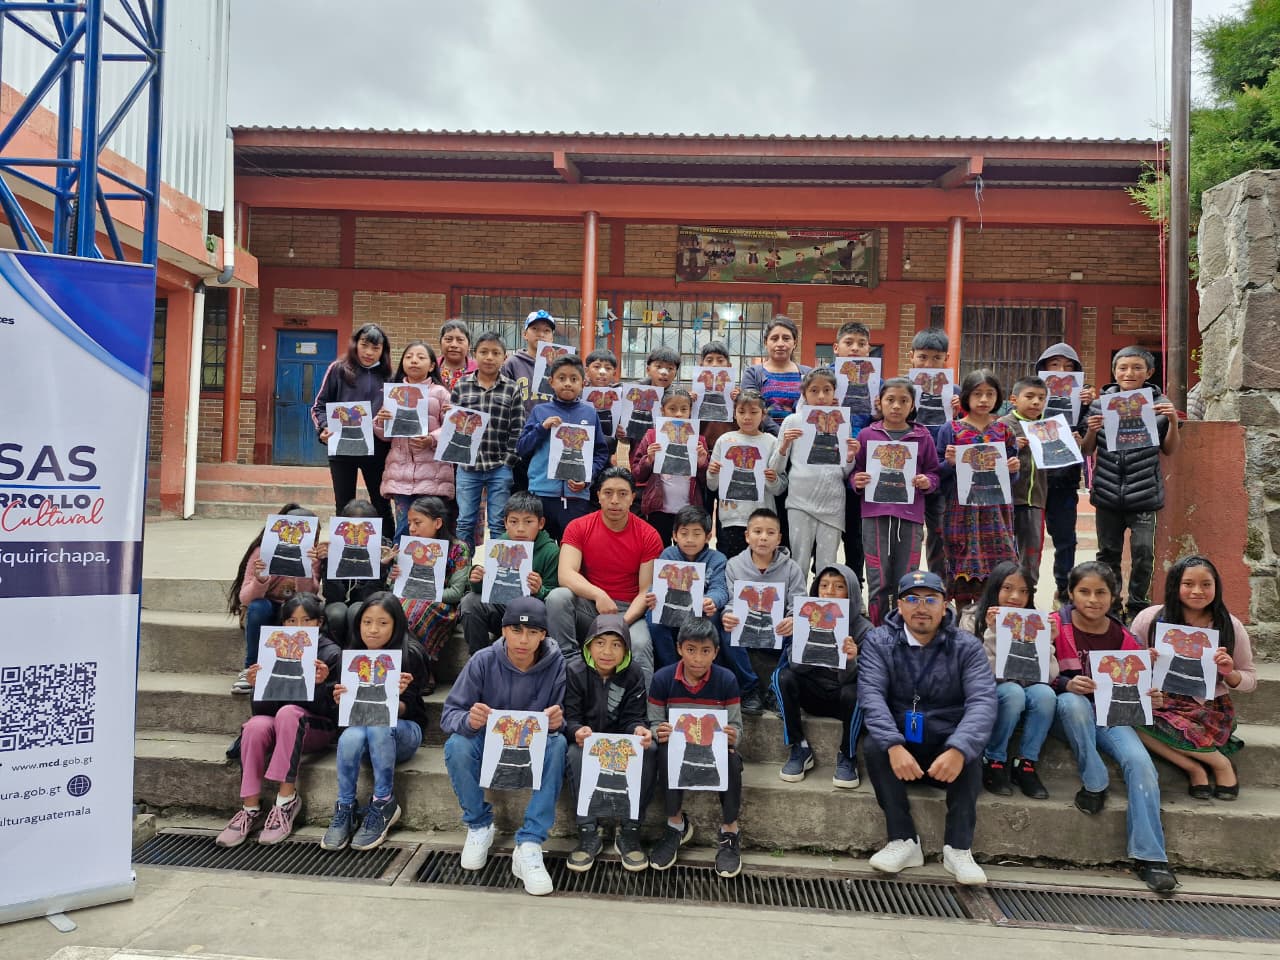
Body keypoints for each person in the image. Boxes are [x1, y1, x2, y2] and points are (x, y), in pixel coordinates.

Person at [857, 570, 996, 886]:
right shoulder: (879, 641)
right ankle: (903, 840)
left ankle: (958, 848)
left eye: (931, 600)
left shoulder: (966, 646)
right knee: (875, 745)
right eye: (912, 599)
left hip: (946, 745)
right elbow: (871, 696)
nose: (922, 608)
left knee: (971, 750)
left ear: (945, 605)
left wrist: (959, 749)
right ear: (899, 605)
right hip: (902, 745)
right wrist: (893, 745)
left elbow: (983, 701)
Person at [1050, 561, 1177, 892]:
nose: (1093, 600)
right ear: (1071, 593)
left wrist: (1151, 697)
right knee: (1073, 703)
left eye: (1101, 592)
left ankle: (1151, 856)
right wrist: (1064, 683)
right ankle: (1094, 779)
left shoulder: (1124, 637)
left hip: (1110, 717)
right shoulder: (1054, 625)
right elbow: (1029, 670)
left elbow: (1138, 690)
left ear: (1113, 596)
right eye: (1084, 591)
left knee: (1140, 763)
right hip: (1066, 715)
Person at [441, 596, 567, 897]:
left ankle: (530, 842)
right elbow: (449, 715)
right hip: (489, 743)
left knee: (559, 743)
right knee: (457, 745)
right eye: (515, 630)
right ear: (503, 630)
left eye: (533, 632)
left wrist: (558, 721)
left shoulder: (557, 664)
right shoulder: (482, 660)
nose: (523, 640)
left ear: (543, 635)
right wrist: (469, 720)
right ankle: (479, 825)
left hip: (531, 746)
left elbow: (567, 718)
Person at [216, 593, 340, 848]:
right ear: (283, 623)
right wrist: (257, 687)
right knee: (255, 725)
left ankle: (286, 800)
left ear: (319, 623)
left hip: (316, 727)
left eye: (307, 620)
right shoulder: (273, 647)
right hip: (280, 724)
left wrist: (321, 684)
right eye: (292, 621)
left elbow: (334, 712)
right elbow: (261, 709)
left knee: (289, 713)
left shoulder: (330, 653)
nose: (299, 627)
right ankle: (250, 807)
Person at [1131, 556, 1256, 799]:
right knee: (1127, 717)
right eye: (1188, 584)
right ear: (1175, 585)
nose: (1197, 591)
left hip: (1207, 706)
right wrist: (1143, 661)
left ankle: (1220, 765)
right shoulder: (1150, 618)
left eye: (1206, 584)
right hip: (1160, 701)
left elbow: (1250, 679)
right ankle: (1201, 767)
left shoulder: (1230, 626)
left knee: (1187, 728)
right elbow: (1127, 667)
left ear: (1216, 587)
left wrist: (1229, 672)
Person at [321, 593, 428, 852]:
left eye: (382, 623)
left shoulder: (409, 654)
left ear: (396, 625)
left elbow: (414, 711)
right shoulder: (350, 657)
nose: (373, 630)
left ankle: (383, 802)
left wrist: (396, 697)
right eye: (367, 622)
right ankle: (345, 806)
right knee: (350, 736)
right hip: (364, 735)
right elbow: (345, 717)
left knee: (379, 724)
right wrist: (338, 700)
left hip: (402, 732)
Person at [1080, 346, 1181, 621]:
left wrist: (1172, 421)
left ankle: (1138, 607)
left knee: (1143, 553)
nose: (1129, 373)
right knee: (1108, 553)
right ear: (1114, 372)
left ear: (1149, 372)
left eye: (1137, 368)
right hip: (1107, 491)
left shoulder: (1158, 404)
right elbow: (1087, 450)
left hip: (1145, 493)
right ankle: (1111, 606)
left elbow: (1169, 449)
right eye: (1122, 368)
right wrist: (1091, 431)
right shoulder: (1100, 404)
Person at [547, 467, 663, 685]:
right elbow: (566, 574)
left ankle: (642, 705)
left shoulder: (648, 535)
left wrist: (621, 623)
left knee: (639, 645)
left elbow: (645, 590)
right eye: (608, 493)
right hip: (591, 606)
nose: (615, 500)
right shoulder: (578, 527)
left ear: (632, 498)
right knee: (558, 597)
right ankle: (567, 666)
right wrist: (598, 594)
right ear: (598, 495)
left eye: (622, 493)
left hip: (629, 611)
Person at [647, 618, 745, 878]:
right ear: (679, 648)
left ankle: (730, 830)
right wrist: (659, 732)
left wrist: (732, 737)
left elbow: (737, 727)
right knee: (664, 751)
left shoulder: (726, 680)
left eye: (705, 651)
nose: (698, 658)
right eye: (691, 649)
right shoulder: (663, 678)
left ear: (716, 652)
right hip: (680, 750)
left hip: (713, 751)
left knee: (731, 759)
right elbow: (654, 722)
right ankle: (675, 824)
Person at [564, 613, 656, 873]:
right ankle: (588, 830)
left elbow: (634, 717)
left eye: (616, 645)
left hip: (620, 743)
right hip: (586, 742)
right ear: (588, 645)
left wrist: (638, 730)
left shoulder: (633, 673)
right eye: (600, 643)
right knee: (574, 753)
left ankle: (630, 829)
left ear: (626, 649)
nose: (607, 652)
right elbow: (569, 717)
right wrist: (576, 731)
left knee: (650, 750)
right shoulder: (574, 671)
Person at [957, 561, 1057, 799]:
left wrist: (1048, 641)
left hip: (1025, 686)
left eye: (1024, 591)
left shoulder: (1034, 621)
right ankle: (994, 760)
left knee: (1046, 695)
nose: (1015, 597)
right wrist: (993, 632)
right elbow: (980, 672)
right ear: (994, 588)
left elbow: (1049, 675)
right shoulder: (972, 617)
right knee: (1013, 692)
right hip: (986, 690)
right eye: (1008, 588)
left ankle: (1025, 763)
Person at [851, 378, 940, 625]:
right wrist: (857, 480)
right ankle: (878, 630)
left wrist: (927, 481)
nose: (896, 406)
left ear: (912, 405)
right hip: (874, 515)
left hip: (910, 516)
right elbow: (855, 471)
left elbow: (934, 472)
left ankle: (904, 629)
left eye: (903, 401)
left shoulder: (923, 437)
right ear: (879, 402)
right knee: (878, 577)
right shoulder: (867, 435)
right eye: (890, 400)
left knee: (907, 577)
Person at [773, 563, 871, 788]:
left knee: (858, 691)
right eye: (824, 586)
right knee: (781, 676)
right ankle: (798, 746)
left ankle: (847, 755)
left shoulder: (864, 629)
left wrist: (849, 659)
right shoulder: (804, 618)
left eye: (839, 586)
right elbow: (796, 668)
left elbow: (859, 679)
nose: (829, 592)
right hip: (813, 694)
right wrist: (806, 643)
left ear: (851, 592)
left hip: (843, 699)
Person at [936, 370, 1020, 609]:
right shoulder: (950, 429)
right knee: (963, 564)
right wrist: (949, 463)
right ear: (966, 396)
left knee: (999, 567)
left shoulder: (1004, 431)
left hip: (996, 510)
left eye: (990, 394)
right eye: (977, 394)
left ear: (998, 397)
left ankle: (991, 618)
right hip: (961, 510)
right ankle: (963, 619)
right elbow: (937, 473)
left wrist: (1013, 469)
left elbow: (1012, 478)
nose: (984, 399)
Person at [768, 368, 858, 579]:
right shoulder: (793, 421)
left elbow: (845, 472)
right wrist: (784, 445)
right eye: (814, 390)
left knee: (827, 563)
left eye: (827, 390)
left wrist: (850, 457)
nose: (821, 396)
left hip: (832, 501)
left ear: (834, 392)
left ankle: (823, 598)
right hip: (799, 500)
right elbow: (775, 469)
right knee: (798, 560)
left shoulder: (842, 422)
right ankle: (796, 598)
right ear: (804, 393)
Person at [227, 503, 322, 694]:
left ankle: (300, 668)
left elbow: (309, 596)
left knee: (307, 612)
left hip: (294, 612)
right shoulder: (261, 552)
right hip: (266, 612)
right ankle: (250, 668)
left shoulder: (313, 556)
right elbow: (245, 598)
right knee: (258, 607)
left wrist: (305, 567)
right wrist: (261, 579)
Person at [720, 508, 806, 716]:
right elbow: (730, 600)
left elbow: (798, 603)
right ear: (747, 536)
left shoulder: (792, 568)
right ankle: (750, 689)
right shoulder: (734, 565)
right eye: (757, 532)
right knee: (724, 629)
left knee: (802, 631)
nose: (763, 538)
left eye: (770, 532)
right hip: (746, 630)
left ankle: (775, 690)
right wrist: (728, 615)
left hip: (776, 632)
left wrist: (793, 619)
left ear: (779, 538)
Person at [310, 322, 395, 531]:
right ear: (355, 344)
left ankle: (386, 544)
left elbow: (397, 413)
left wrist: (389, 417)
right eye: (364, 345)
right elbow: (319, 406)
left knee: (381, 503)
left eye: (375, 348)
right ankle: (345, 546)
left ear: (383, 350)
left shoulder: (390, 377)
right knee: (344, 504)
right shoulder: (338, 369)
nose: (369, 352)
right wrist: (323, 428)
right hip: (342, 448)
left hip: (377, 449)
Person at [740, 315, 812, 547]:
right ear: (766, 342)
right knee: (770, 508)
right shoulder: (754, 373)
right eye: (774, 338)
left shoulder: (807, 374)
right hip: (767, 449)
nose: (780, 343)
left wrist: (793, 440)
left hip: (801, 452)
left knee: (796, 514)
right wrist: (783, 437)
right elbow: (754, 408)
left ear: (795, 342)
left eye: (786, 338)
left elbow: (811, 409)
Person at [460, 492, 560, 655]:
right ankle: (478, 658)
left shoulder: (551, 551)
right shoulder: (500, 544)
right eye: (513, 521)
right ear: (505, 523)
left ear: (541, 523)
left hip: (533, 615)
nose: (520, 529)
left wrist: (540, 590)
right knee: (470, 601)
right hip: (503, 610)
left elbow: (556, 597)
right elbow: (488, 590)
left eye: (528, 522)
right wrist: (478, 580)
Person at [450, 330, 523, 549]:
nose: (489, 357)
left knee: (498, 523)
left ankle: (496, 568)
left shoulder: (512, 389)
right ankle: (463, 567)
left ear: (504, 357)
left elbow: (517, 428)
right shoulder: (462, 386)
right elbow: (453, 427)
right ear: (475, 355)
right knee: (465, 522)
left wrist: (508, 462)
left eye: (495, 353)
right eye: (484, 352)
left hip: (499, 467)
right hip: (467, 467)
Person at [1036, 343, 1096, 604]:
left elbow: (1087, 437)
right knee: (1026, 540)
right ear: (1043, 368)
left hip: (1065, 479)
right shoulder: (1030, 395)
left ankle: (1063, 591)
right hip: (1031, 482)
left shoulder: (1082, 402)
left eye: (1068, 367)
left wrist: (1088, 408)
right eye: (1054, 365)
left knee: (1065, 540)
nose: (1061, 371)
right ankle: (1023, 591)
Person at [376, 340, 454, 541]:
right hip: (400, 475)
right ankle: (400, 562)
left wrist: (432, 439)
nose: (414, 361)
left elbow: (453, 427)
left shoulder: (441, 393)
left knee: (430, 531)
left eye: (421, 357)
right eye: (409, 357)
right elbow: (385, 436)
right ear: (402, 363)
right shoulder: (393, 394)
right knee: (404, 527)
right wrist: (380, 421)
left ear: (432, 365)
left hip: (432, 475)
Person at [391, 496, 471, 682]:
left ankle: (422, 671)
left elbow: (456, 593)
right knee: (392, 610)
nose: (412, 528)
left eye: (418, 522)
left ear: (437, 523)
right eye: (410, 523)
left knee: (414, 612)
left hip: (443, 604)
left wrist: (421, 593)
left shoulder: (458, 549)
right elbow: (394, 589)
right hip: (410, 598)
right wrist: (394, 578)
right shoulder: (408, 548)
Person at [644, 505, 729, 670]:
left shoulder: (717, 559)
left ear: (708, 536)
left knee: (713, 617)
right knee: (653, 618)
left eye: (696, 534)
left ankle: (709, 668)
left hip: (700, 610)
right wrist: (652, 595)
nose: (690, 539)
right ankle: (671, 667)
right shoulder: (668, 554)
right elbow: (658, 585)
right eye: (684, 533)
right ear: (675, 535)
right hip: (672, 607)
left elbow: (720, 588)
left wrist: (712, 600)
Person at [705, 388, 786, 561]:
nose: (747, 417)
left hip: (763, 520)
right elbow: (712, 485)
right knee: (731, 565)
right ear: (734, 413)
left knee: (761, 565)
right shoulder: (724, 440)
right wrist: (712, 473)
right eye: (741, 412)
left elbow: (779, 488)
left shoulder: (772, 442)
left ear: (763, 415)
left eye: (753, 412)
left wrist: (773, 480)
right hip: (731, 519)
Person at [630, 386, 710, 546]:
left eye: (684, 409)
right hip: (659, 509)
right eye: (672, 409)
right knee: (660, 549)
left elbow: (706, 481)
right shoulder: (652, 436)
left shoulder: (698, 439)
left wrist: (702, 464)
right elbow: (637, 474)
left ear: (690, 411)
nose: (678, 414)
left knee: (688, 549)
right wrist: (648, 460)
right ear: (662, 410)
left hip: (689, 510)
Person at [828, 321, 877, 580]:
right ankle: (823, 584)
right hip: (827, 461)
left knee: (856, 532)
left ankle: (856, 584)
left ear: (869, 349)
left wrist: (880, 411)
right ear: (836, 348)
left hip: (862, 464)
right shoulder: (823, 379)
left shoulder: (878, 382)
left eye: (861, 344)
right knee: (826, 531)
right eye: (849, 343)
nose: (855, 348)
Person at [905, 327, 952, 580]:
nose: (929, 364)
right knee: (907, 533)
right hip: (907, 472)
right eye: (922, 357)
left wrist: (961, 411)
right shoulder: (899, 389)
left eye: (936, 358)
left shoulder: (955, 392)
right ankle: (906, 584)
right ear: (911, 356)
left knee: (940, 531)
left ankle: (938, 584)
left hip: (942, 473)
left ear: (946, 358)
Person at [316, 498, 394, 648]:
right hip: (338, 603)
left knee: (357, 610)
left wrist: (380, 566)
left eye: (363, 527)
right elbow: (333, 596)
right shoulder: (332, 546)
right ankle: (335, 654)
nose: (356, 532)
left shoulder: (383, 548)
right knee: (337, 612)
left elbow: (370, 597)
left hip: (369, 604)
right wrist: (328, 561)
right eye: (350, 527)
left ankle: (355, 654)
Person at [999, 376, 1050, 592]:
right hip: (1006, 500)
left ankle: (1028, 594)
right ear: (1014, 399)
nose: (1036, 402)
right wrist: (1011, 447)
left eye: (1041, 398)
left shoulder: (1050, 427)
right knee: (1004, 551)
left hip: (1036, 499)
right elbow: (989, 459)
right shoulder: (1002, 425)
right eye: (1029, 396)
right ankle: (1002, 594)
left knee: (1032, 552)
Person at [695, 340, 740, 515]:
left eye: (720, 360)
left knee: (726, 511)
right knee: (702, 510)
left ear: (729, 366)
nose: (714, 365)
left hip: (728, 458)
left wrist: (739, 402)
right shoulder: (695, 393)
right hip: (702, 458)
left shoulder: (737, 395)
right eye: (709, 360)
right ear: (701, 365)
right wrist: (689, 403)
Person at [501, 309, 557, 417]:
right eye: (535, 329)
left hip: (553, 424)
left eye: (546, 330)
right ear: (525, 334)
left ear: (552, 338)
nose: (541, 334)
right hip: (521, 424)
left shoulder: (559, 365)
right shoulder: (512, 364)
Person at [623, 345, 680, 448]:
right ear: (648, 369)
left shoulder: (680, 398)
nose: (664, 372)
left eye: (670, 368)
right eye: (658, 367)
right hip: (638, 454)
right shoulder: (634, 391)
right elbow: (626, 439)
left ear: (676, 373)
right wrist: (622, 434)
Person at [437, 319, 477, 392]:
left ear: (469, 345)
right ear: (440, 343)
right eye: (448, 339)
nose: (454, 345)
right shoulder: (430, 368)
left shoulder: (478, 371)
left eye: (460, 340)